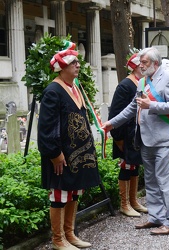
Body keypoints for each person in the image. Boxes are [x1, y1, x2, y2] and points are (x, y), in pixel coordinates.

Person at [101, 47, 169, 235]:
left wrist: (151, 105)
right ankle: (156, 218)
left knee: (167, 182)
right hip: (145, 139)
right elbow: (132, 108)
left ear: (155, 63)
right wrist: (111, 124)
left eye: (144, 62)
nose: (141, 65)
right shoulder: (143, 81)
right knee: (151, 182)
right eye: (140, 62)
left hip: (163, 140)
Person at [38, 42, 99, 249]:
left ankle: (69, 234)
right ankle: (58, 239)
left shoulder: (74, 88)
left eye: (78, 62)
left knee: (73, 191)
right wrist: (55, 153)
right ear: (62, 67)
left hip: (77, 155)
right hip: (61, 156)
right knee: (59, 194)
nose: (78, 66)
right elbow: (47, 127)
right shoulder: (53, 91)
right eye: (74, 62)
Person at [108, 53, 147, 217]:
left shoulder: (140, 83)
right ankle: (124, 204)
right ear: (137, 66)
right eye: (143, 64)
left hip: (135, 135)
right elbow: (116, 113)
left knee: (135, 166)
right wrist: (118, 138)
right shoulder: (125, 85)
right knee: (126, 167)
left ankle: (133, 200)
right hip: (125, 136)